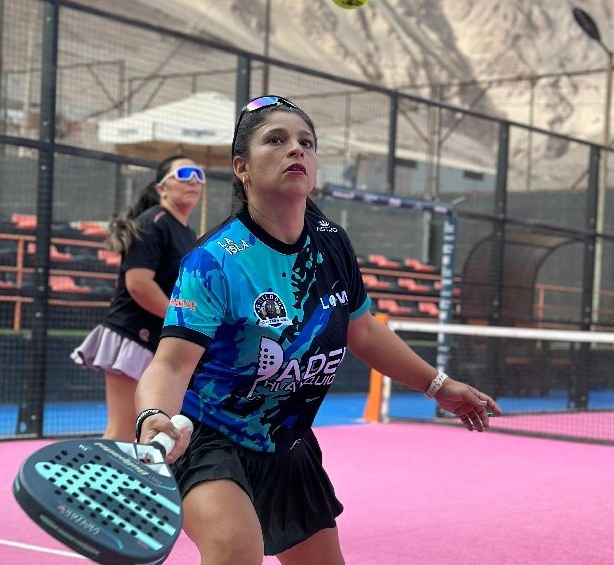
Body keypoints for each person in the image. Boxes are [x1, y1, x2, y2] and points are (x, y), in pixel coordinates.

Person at [134, 96, 502, 565]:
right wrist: (152, 416)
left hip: (287, 442)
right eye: (276, 140)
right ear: (242, 167)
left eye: (306, 142)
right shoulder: (213, 261)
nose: (296, 149)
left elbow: (363, 332)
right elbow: (170, 364)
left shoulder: (332, 243)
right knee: (236, 551)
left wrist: (438, 385)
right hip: (211, 436)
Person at [71, 154, 203, 441]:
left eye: (199, 176)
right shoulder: (153, 223)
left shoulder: (187, 233)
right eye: (184, 175)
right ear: (162, 188)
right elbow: (139, 284)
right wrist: (180, 321)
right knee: (122, 429)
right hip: (131, 336)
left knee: (150, 431)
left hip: (157, 342)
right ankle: (97, 474)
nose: (194, 181)